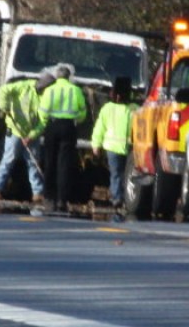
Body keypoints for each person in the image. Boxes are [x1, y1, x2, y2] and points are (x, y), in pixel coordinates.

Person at [0, 70, 56, 214]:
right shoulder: (24, 86)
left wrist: (31, 135)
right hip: (15, 130)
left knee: (33, 162)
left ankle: (38, 194)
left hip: (32, 134)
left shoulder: (47, 98)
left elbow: (43, 122)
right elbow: (3, 90)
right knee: (8, 160)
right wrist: (4, 106)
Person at [38, 63, 87, 213]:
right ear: (68, 77)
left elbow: (42, 111)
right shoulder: (76, 90)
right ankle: (62, 200)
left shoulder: (49, 90)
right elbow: (83, 113)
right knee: (64, 165)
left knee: (50, 163)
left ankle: (48, 199)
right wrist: (75, 120)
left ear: (57, 77)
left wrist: (46, 123)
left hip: (52, 126)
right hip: (69, 127)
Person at [91, 77, 136, 217]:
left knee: (117, 174)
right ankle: (119, 198)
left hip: (113, 148)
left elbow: (99, 128)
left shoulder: (107, 109)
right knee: (124, 175)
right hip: (128, 148)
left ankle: (118, 198)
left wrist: (96, 145)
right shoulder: (134, 109)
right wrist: (96, 143)